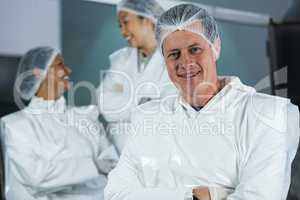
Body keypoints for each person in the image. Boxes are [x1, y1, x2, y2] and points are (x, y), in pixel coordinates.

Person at [104, 4, 300, 200]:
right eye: (174, 54)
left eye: (195, 49)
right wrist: (204, 195)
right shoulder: (147, 117)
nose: (185, 62)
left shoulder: (268, 116)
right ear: (164, 59)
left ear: (216, 48)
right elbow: (116, 194)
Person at [0, 47, 118, 200]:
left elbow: (112, 163)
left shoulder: (85, 116)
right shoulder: (16, 126)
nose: (68, 70)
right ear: (38, 73)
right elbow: (37, 176)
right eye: (60, 65)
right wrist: (94, 166)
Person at [97, 0, 176, 154]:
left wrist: (123, 101)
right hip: (121, 155)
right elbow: (105, 104)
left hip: (158, 154)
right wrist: (142, 102)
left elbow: (167, 110)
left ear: (147, 19)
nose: (123, 32)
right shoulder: (119, 59)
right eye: (120, 25)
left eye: (126, 22)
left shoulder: (174, 59)